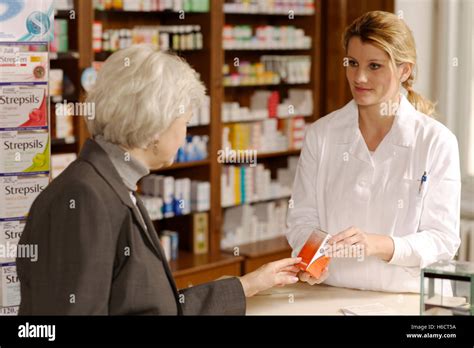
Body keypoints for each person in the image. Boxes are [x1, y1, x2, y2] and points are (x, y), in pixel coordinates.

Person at [16, 44, 302, 315]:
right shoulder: (82, 198)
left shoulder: (115, 182)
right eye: (185, 122)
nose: (185, 135)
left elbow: (154, 307)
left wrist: (249, 284)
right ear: (156, 124)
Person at [286, 11, 461, 293]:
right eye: (352, 63)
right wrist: (312, 260)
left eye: (375, 66)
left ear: (404, 70)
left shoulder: (436, 141)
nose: (360, 77)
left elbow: (442, 239)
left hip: (405, 298)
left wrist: (378, 244)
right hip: (330, 293)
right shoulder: (322, 134)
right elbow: (302, 219)